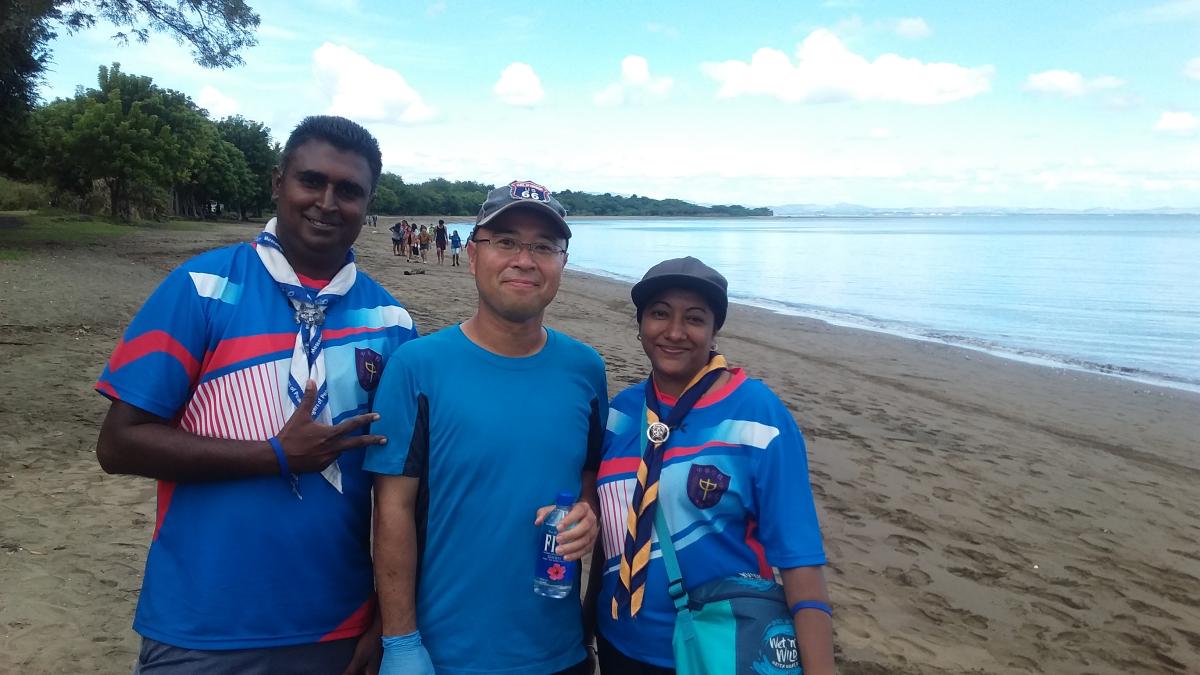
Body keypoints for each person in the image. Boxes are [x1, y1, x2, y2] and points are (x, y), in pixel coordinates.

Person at [94, 115, 419, 674]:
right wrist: (273, 456)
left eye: (349, 190)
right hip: (201, 623)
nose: (326, 201)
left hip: (336, 623)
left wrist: (389, 619)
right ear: (277, 182)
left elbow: (401, 490)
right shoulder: (201, 289)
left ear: (368, 204)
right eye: (310, 181)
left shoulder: (392, 322)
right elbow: (119, 445)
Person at [366, 180, 607, 675]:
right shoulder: (418, 367)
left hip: (560, 653)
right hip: (447, 653)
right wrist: (400, 641)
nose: (525, 259)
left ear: (562, 263)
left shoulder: (586, 369)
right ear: (473, 256)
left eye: (544, 246)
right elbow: (392, 509)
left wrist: (587, 510)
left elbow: (589, 473)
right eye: (506, 242)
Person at [591, 257, 835, 674]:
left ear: (714, 329)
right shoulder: (622, 413)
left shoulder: (758, 415)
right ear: (640, 325)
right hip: (618, 648)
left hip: (718, 650)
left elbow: (800, 561)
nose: (674, 331)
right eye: (659, 314)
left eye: (694, 318)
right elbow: (611, 534)